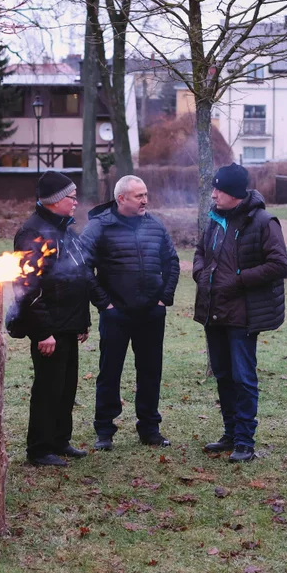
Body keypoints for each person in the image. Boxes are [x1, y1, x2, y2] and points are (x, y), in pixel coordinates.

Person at [192, 163, 287, 463]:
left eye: (219, 190)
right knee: (222, 374)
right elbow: (200, 252)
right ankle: (231, 433)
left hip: (243, 314)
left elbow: (279, 264)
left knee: (242, 377)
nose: (214, 195)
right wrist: (199, 273)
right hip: (214, 310)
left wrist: (238, 281)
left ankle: (245, 441)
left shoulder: (263, 221)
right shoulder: (215, 220)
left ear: (235, 193)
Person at [81, 175, 180, 451]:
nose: (145, 200)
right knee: (109, 372)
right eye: (139, 196)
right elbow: (82, 266)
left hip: (151, 313)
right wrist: (105, 304)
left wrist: (163, 300)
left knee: (150, 372)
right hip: (116, 314)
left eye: (146, 194)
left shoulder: (155, 225)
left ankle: (149, 428)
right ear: (121, 198)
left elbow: (171, 262)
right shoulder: (99, 227)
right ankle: (104, 431)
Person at [10, 171, 92, 468]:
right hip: (49, 327)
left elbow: (79, 274)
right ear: (56, 201)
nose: (75, 202)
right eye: (71, 197)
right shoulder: (33, 233)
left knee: (66, 385)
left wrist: (83, 320)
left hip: (68, 323)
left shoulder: (66, 230)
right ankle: (40, 447)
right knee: (48, 387)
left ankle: (60, 440)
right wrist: (43, 331)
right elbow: (26, 286)